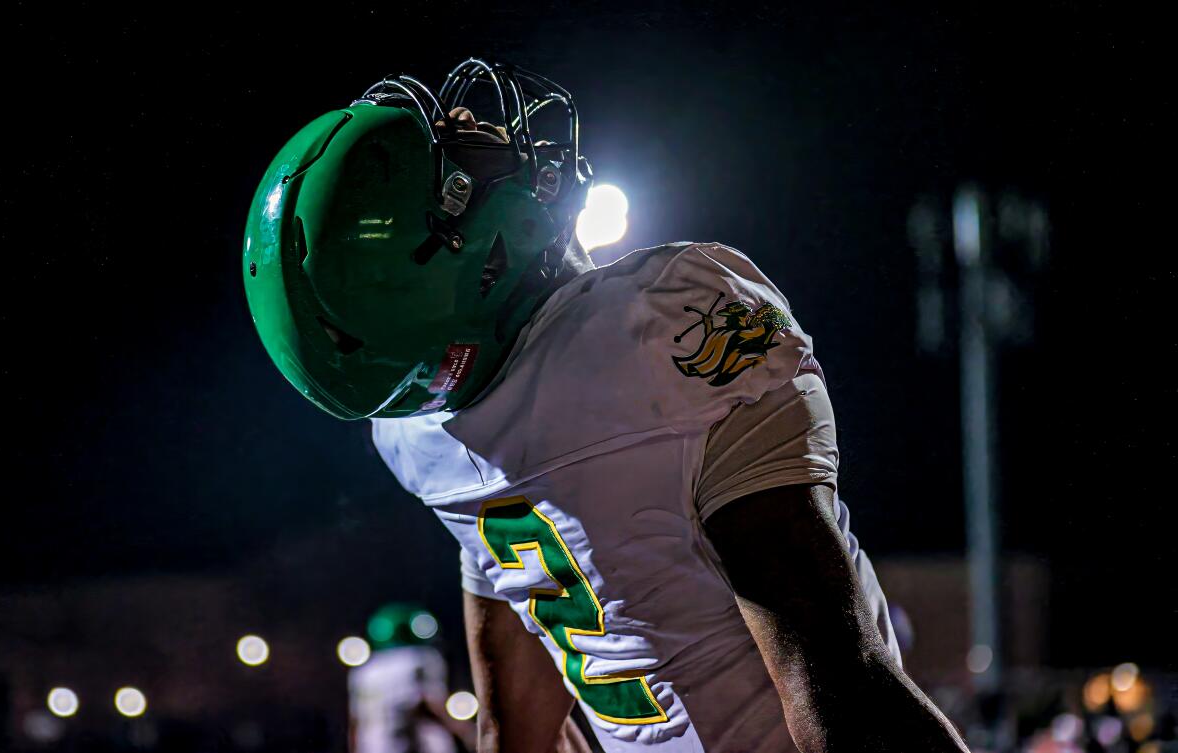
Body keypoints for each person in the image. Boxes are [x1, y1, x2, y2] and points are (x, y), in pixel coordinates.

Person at [243, 58, 969, 753]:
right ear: (471, 264)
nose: (481, 132)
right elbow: (839, 682)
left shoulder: (413, 432)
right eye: (457, 168)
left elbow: (514, 729)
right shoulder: (663, 323)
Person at [348, 604, 470, 753]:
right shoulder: (420, 659)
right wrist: (468, 732)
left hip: (373, 746)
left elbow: (356, 722)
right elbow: (429, 704)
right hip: (414, 743)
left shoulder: (363, 672)